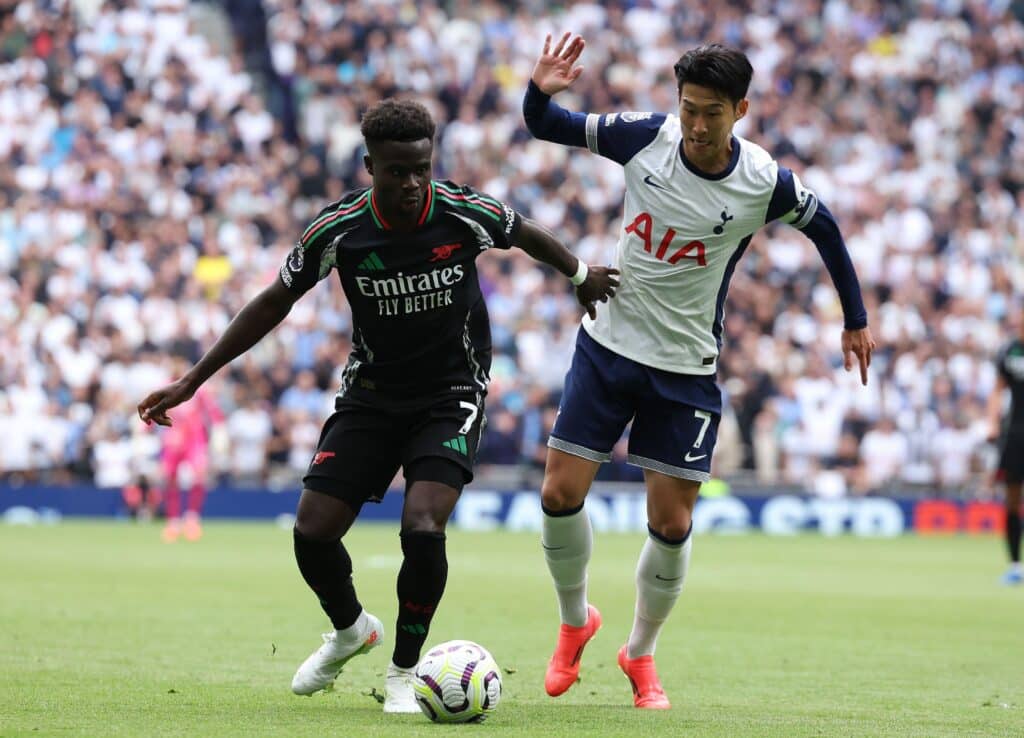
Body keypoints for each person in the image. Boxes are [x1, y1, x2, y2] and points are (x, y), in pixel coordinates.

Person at [137, 99, 618, 712]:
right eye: (397, 171)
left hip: (452, 393)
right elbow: (272, 302)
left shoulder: (462, 211)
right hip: (371, 395)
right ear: (370, 166)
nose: (413, 183)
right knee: (311, 533)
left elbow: (523, 234)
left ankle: (403, 671)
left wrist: (580, 275)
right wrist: (193, 380)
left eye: (422, 168)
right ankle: (351, 631)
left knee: (421, 526)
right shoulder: (338, 230)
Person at [523, 34, 875, 709]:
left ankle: (640, 655)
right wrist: (541, 89)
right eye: (688, 108)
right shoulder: (643, 137)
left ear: (740, 110)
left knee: (674, 524)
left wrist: (853, 317)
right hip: (608, 345)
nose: (697, 125)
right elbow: (545, 125)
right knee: (559, 493)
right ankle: (575, 623)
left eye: (713, 112)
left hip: (684, 368)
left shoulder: (762, 181)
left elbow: (824, 225)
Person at [156, 357, 224, 542]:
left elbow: (213, 410)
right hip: (172, 439)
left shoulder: (197, 389)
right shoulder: (164, 387)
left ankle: (192, 519)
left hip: (194, 440)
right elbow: (155, 409)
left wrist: (219, 429)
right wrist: (143, 428)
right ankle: (173, 521)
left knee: (199, 476)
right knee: (169, 479)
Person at [986, 315, 1024, 586]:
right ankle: (1014, 564)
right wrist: (991, 421)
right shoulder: (1009, 351)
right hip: (1015, 432)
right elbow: (998, 390)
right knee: (1012, 498)